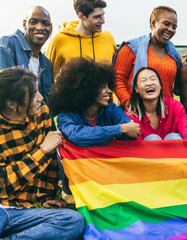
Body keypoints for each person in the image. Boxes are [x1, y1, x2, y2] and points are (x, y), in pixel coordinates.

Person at [0, 67, 85, 239]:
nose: (40, 98)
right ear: (11, 104)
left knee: (72, 221)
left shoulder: (42, 113)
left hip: (23, 213)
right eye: (33, 95)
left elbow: (52, 161)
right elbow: (3, 187)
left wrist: (46, 196)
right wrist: (42, 150)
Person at [113, 6, 187, 107]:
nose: (170, 29)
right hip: (133, 114)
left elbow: (177, 77)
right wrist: (130, 105)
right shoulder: (131, 48)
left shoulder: (174, 54)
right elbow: (117, 80)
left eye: (174, 27)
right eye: (166, 24)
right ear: (153, 23)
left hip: (164, 114)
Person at [50, 57, 140, 147]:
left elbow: (132, 131)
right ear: (87, 89)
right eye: (103, 86)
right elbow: (76, 135)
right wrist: (120, 129)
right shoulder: (66, 116)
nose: (109, 91)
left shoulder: (111, 109)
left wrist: (122, 131)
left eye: (109, 86)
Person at [46, 0, 116, 78]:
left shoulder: (108, 38)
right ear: (81, 16)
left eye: (102, 15)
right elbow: (47, 78)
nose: (103, 21)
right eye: (97, 17)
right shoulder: (58, 40)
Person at [0, 6, 53, 103]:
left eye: (45, 23)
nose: (40, 28)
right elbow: (5, 93)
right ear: (24, 25)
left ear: (51, 28)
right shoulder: (7, 45)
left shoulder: (47, 65)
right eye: (33, 22)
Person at [127, 67, 187, 140]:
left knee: (173, 137)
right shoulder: (131, 116)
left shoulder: (174, 106)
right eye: (143, 80)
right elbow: (135, 146)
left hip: (174, 150)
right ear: (136, 89)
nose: (149, 83)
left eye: (153, 79)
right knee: (153, 138)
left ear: (160, 85)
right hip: (146, 151)